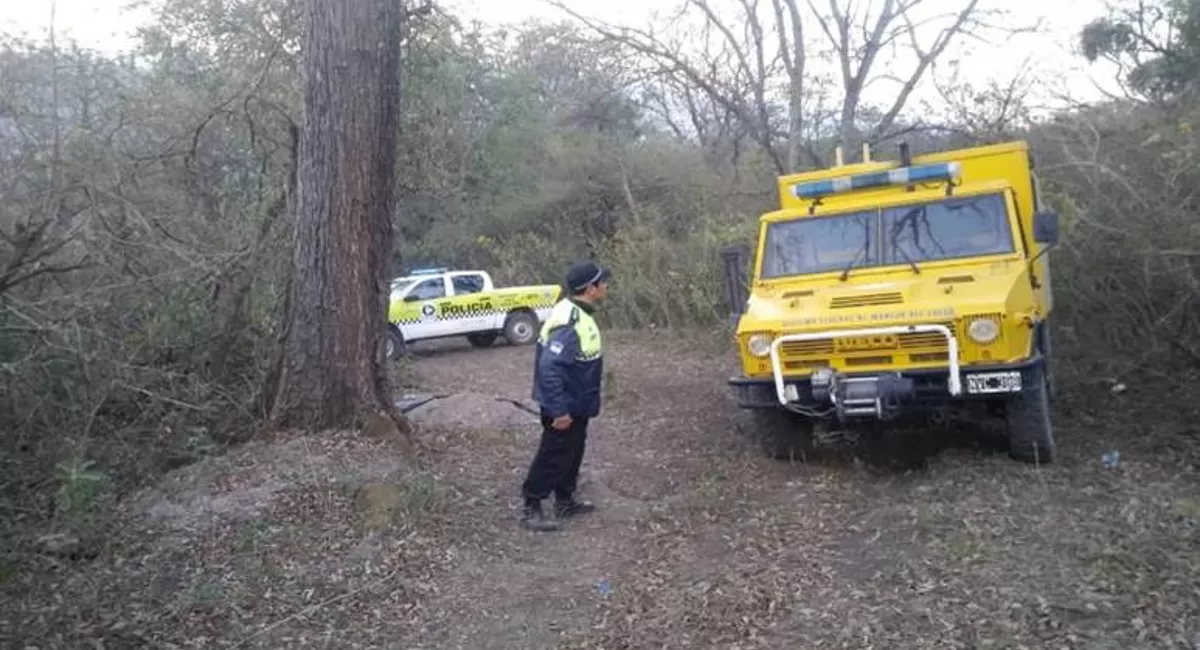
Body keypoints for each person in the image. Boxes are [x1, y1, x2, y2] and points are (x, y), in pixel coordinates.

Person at [519, 260, 610, 532]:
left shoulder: (579, 313)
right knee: (554, 454)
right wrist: (559, 411)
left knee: (573, 451)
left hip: (576, 403)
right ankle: (531, 506)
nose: (606, 286)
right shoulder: (569, 322)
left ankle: (565, 500)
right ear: (590, 288)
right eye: (602, 282)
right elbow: (549, 368)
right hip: (564, 406)